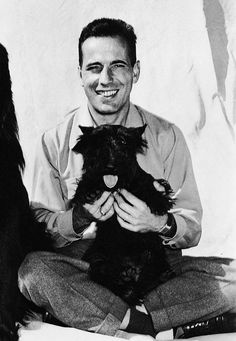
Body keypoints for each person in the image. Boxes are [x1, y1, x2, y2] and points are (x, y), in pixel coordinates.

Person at [18, 18, 236, 339]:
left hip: (156, 263)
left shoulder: (167, 135)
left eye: (117, 65)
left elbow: (191, 225)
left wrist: (159, 223)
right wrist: (76, 219)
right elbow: (37, 227)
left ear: (134, 71)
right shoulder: (52, 142)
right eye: (94, 67)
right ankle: (154, 322)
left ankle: (100, 314)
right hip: (89, 265)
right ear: (80, 74)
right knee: (32, 273)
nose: (105, 79)